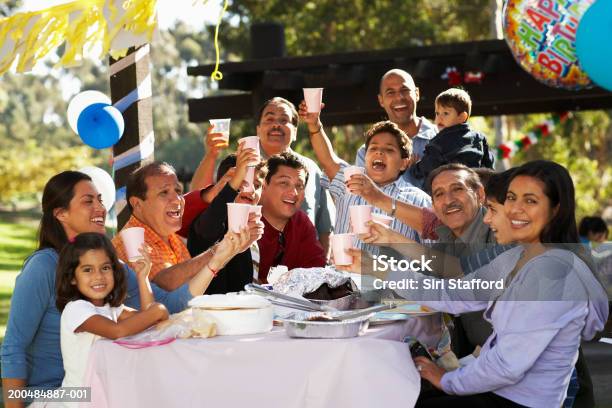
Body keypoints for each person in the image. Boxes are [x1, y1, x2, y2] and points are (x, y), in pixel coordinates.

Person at [358, 160, 609, 407]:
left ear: (556, 210)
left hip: (519, 397)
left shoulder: (550, 272)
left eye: (529, 201)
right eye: (511, 199)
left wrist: (447, 380)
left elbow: (508, 365)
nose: (501, 214)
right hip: (496, 383)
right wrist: (380, 270)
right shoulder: (515, 257)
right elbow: (453, 293)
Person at [1, 171, 251, 396]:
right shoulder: (43, 267)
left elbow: (168, 306)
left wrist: (219, 258)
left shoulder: (110, 265)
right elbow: (13, 347)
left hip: (99, 389)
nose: (100, 207)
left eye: (100, 199)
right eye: (88, 201)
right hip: (55, 394)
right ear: (61, 214)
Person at [112, 162, 265, 292]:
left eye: (178, 191)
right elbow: (161, 287)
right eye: (164, 192)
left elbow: (189, 292)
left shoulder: (173, 237)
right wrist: (224, 248)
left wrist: (231, 248)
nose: (177, 199)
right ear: (137, 204)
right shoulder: (129, 240)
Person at [301, 101, 431, 252]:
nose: (379, 152)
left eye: (389, 150)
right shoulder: (351, 180)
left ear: (404, 163)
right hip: (345, 273)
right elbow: (328, 159)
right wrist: (314, 124)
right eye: (373, 148)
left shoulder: (419, 200)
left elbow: (436, 255)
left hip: (391, 275)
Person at [56, 233, 168, 391]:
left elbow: (150, 323)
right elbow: (117, 331)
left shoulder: (112, 308)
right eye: (88, 270)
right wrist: (159, 310)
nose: (98, 276)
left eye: (105, 268)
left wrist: (143, 277)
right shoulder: (76, 309)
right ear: (72, 278)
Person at [256, 97, 335, 253]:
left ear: (295, 132)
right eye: (269, 119)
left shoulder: (311, 169)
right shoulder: (243, 168)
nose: (276, 125)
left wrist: (321, 266)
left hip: (305, 269)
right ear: (258, 129)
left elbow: (325, 227)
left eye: (284, 120)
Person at [188, 149, 266, 293]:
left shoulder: (253, 233)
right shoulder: (207, 224)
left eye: (257, 185)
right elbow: (211, 223)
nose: (251, 191)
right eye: (243, 183)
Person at [257, 152, 327, 283]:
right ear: (263, 185)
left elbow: (317, 272)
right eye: (284, 183)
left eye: (299, 186)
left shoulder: (301, 222)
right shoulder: (247, 220)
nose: (293, 193)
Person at [407, 88, 495, 188]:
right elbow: (489, 165)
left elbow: (428, 166)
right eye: (437, 113)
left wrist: (414, 168)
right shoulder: (479, 137)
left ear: (462, 117)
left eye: (446, 113)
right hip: (474, 186)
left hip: (450, 187)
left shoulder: (438, 142)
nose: (439, 118)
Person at [354, 69, 437, 169]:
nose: (399, 97)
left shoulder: (442, 138)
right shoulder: (366, 154)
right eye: (390, 92)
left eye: (405, 90)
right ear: (381, 100)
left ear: (417, 94)